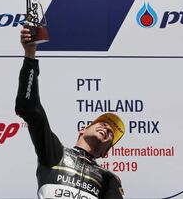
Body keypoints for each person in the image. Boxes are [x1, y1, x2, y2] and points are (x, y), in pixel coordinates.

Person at [15, 27, 126, 199]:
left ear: (106, 153)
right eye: (102, 122)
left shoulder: (108, 178)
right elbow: (29, 108)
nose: (106, 127)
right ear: (82, 130)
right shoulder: (55, 153)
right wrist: (30, 53)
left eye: (111, 133)